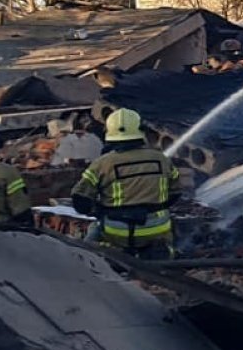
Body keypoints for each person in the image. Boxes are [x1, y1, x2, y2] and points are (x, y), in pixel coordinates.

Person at [71, 108, 182, 259]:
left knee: (94, 231)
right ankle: (166, 252)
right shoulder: (162, 159)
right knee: (169, 233)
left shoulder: (102, 163)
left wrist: (98, 211)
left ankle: (103, 253)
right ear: (140, 130)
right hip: (155, 228)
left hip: (117, 229)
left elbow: (80, 199)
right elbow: (176, 192)